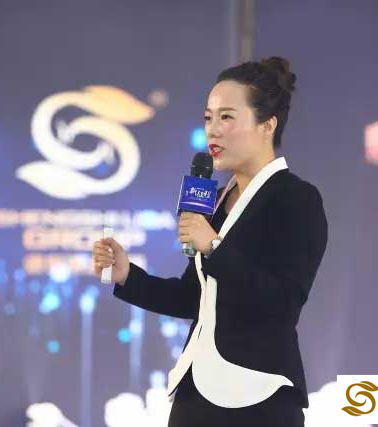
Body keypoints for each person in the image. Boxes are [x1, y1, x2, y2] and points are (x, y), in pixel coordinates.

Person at [92, 57, 328, 427]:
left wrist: (214, 247)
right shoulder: (216, 200)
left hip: (259, 394)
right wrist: (127, 276)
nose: (213, 130)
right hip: (196, 391)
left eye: (227, 117)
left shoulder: (295, 198)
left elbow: (283, 302)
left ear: (267, 125)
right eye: (208, 118)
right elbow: (194, 297)